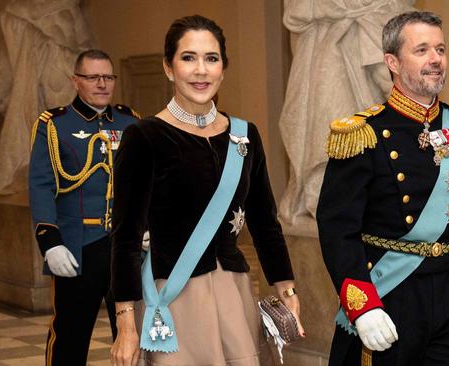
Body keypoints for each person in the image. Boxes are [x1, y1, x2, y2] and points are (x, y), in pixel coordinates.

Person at [316, 11, 449, 366]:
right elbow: (338, 230)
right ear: (392, 62)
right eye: (422, 50)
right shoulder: (364, 133)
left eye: (440, 50)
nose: (435, 60)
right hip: (390, 294)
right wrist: (362, 306)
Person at [110, 15, 305, 366]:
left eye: (211, 59)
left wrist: (285, 287)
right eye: (188, 58)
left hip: (234, 291)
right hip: (173, 295)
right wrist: (125, 323)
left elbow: (265, 221)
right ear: (169, 68)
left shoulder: (245, 135)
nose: (201, 70)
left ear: (223, 69)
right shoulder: (145, 137)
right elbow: (125, 236)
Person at [29, 49, 139, 365]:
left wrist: (147, 225)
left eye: (108, 77)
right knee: (70, 335)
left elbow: (147, 181)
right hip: (79, 246)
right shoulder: (55, 124)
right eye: (93, 77)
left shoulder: (130, 120)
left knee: (135, 333)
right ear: (76, 81)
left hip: (126, 245)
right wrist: (50, 242)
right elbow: (41, 185)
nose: (102, 84)